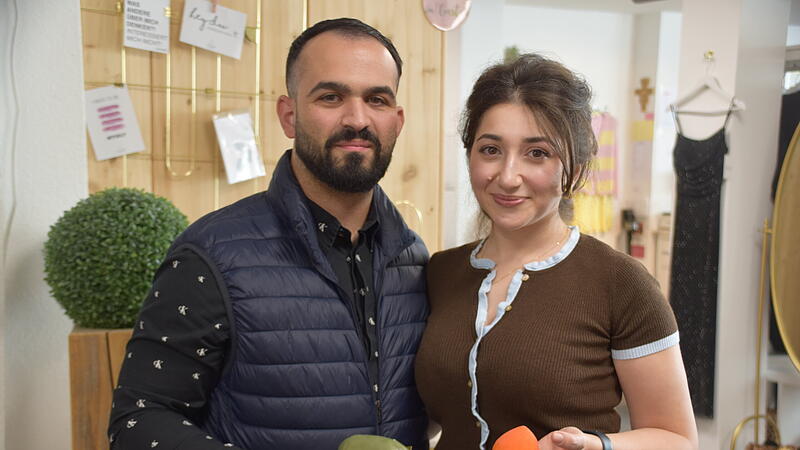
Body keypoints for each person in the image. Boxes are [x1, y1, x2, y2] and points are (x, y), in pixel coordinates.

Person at [108, 18, 430, 450]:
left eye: (376, 99)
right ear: (289, 114)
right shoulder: (212, 254)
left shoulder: (415, 260)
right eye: (331, 96)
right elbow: (140, 420)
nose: (357, 119)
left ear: (397, 119)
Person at [415, 54, 698, 450]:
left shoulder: (621, 284)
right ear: (470, 157)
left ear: (576, 170)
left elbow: (678, 439)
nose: (508, 177)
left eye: (537, 153)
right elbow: (427, 417)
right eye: (491, 149)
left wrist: (598, 446)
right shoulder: (439, 272)